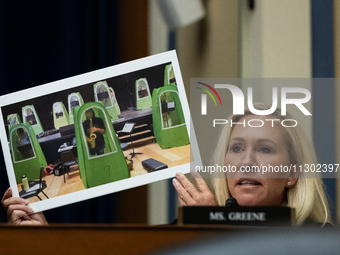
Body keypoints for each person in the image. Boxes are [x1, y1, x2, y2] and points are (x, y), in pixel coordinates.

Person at [172, 103, 332, 226]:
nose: (246, 162)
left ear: (292, 173)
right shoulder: (186, 228)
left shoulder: (319, 239)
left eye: (264, 149)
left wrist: (215, 226)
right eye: (237, 148)